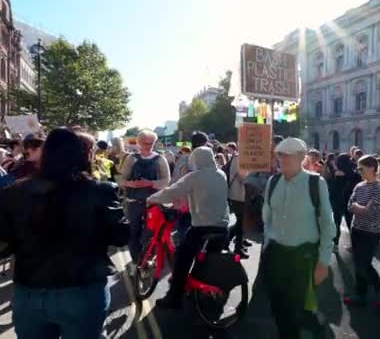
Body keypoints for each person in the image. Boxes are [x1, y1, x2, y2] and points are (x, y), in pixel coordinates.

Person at [0, 128, 129, 338]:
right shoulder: (100, 191)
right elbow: (121, 236)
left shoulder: (15, 192)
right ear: (83, 155)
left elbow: (4, 245)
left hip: (30, 291)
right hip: (82, 290)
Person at [261, 137, 336, 339]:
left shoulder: (315, 183)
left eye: (288, 156)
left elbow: (327, 224)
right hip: (276, 253)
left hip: (303, 256)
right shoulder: (273, 181)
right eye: (280, 156)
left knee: (294, 308)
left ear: (301, 157)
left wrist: (323, 262)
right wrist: (269, 243)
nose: (282, 160)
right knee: (277, 305)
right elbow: (266, 216)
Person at [147, 146, 230, 309]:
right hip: (222, 227)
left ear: (195, 160)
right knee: (207, 260)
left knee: (181, 258)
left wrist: (152, 198)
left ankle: (174, 297)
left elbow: (171, 192)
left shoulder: (194, 177)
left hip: (202, 228)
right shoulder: (221, 174)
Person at [120, 130, 171, 270]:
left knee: (150, 233)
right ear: (139, 142)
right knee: (133, 231)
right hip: (133, 202)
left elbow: (167, 181)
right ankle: (136, 260)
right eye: (145, 143)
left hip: (153, 203)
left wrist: (151, 183)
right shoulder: (131, 158)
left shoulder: (161, 159)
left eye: (151, 143)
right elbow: (121, 179)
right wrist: (131, 184)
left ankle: (145, 258)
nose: (148, 146)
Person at [343, 155, 380, 311]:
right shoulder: (359, 186)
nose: (359, 171)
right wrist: (360, 208)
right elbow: (349, 206)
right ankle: (360, 294)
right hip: (356, 230)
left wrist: (358, 207)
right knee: (358, 264)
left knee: (364, 264)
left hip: (371, 232)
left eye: (361, 168)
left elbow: (371, 211)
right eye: (358, 168)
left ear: (371, 168)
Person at [171, 132, 209, 242]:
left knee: (185, 231)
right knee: (188, 233)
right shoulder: (198, 161)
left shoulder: (184, 159)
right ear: (204, 144)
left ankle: (183, 254)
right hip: (190, 203)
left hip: (186, 202)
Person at [328, 153, 360, 251]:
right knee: (351, 223)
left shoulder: (336, 174)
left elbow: (332, 188)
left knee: (337, 222)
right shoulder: (354, 174)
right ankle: (355, 244)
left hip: (338, 201)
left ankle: (335, 243)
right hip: (350, 200)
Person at [225, 143, 251, 259]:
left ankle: (232, 245)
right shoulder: (239, 159)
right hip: (238, 195)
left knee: (240, 223)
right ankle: (235, 248)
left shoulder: (240, 158)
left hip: (239, 195)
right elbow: (242, 178)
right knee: (239, 223)